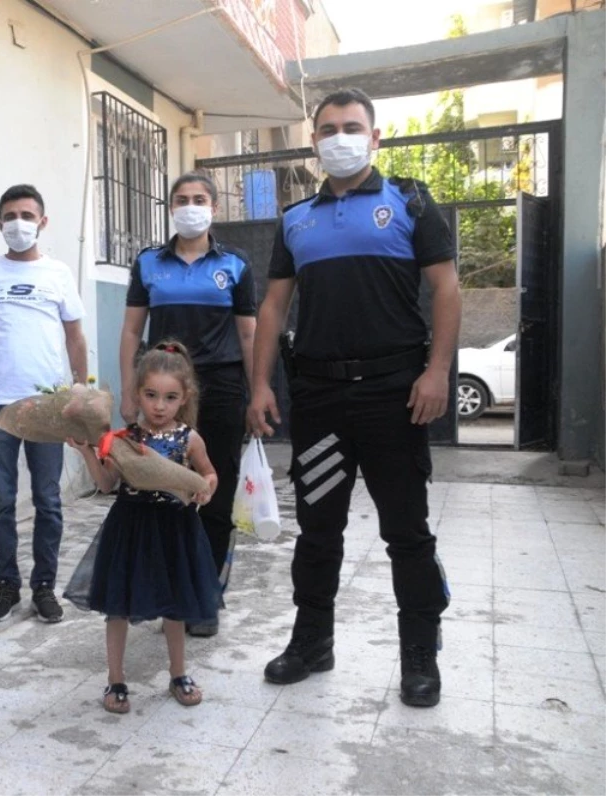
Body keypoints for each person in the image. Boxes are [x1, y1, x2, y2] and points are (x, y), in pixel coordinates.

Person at [247, 88, 459, 707]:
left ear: (375, 137)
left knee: (407, 531)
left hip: (396, 395)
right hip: (319, 398)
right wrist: (260, 384)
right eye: (329, 128)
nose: (340, 136)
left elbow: (446, 290)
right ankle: (312, 640)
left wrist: (438, 372)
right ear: (314, 141)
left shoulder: (412, 202)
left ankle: (420, 653)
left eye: (352, 126)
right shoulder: (294, 220)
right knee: (318, 529)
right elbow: (273, 305)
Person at [120, 172, 256, 638]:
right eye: (182, 199)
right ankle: (169, 593)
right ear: (170, 207)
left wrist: (258, 393)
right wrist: (127, 390)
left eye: (199, 199)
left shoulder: (236, 265)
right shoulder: (147, 264)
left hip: (220, 390)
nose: (190, 206)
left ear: (214, 207)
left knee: (212, 495)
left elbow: (248, 334)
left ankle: (205, 599)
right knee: (163, 499)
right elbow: (132, 332)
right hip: (162, 393)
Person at [65, 341, 220, 713]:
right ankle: (115, 680)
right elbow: (105, 484)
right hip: (130, 529)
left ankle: (178, 673)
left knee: (176, 606)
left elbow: (210, 474)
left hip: (175, 530)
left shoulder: (189, 438)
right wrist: (87, 449)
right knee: (117, 606)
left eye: (170, 397)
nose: (159, 406)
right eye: (151, 395)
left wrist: (205, 490)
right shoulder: (124, 440)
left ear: (184, 398)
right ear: (137, 394)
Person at [0, 184, 88, 624]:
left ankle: (44, 587)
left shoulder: (58, 274)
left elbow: (75, 337)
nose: (19, 223)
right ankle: (7, 585)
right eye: (10, 215)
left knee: (48, 500)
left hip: (48, 406)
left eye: (27, 214)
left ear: (43, 221)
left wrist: (80, 394)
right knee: (1, 501)